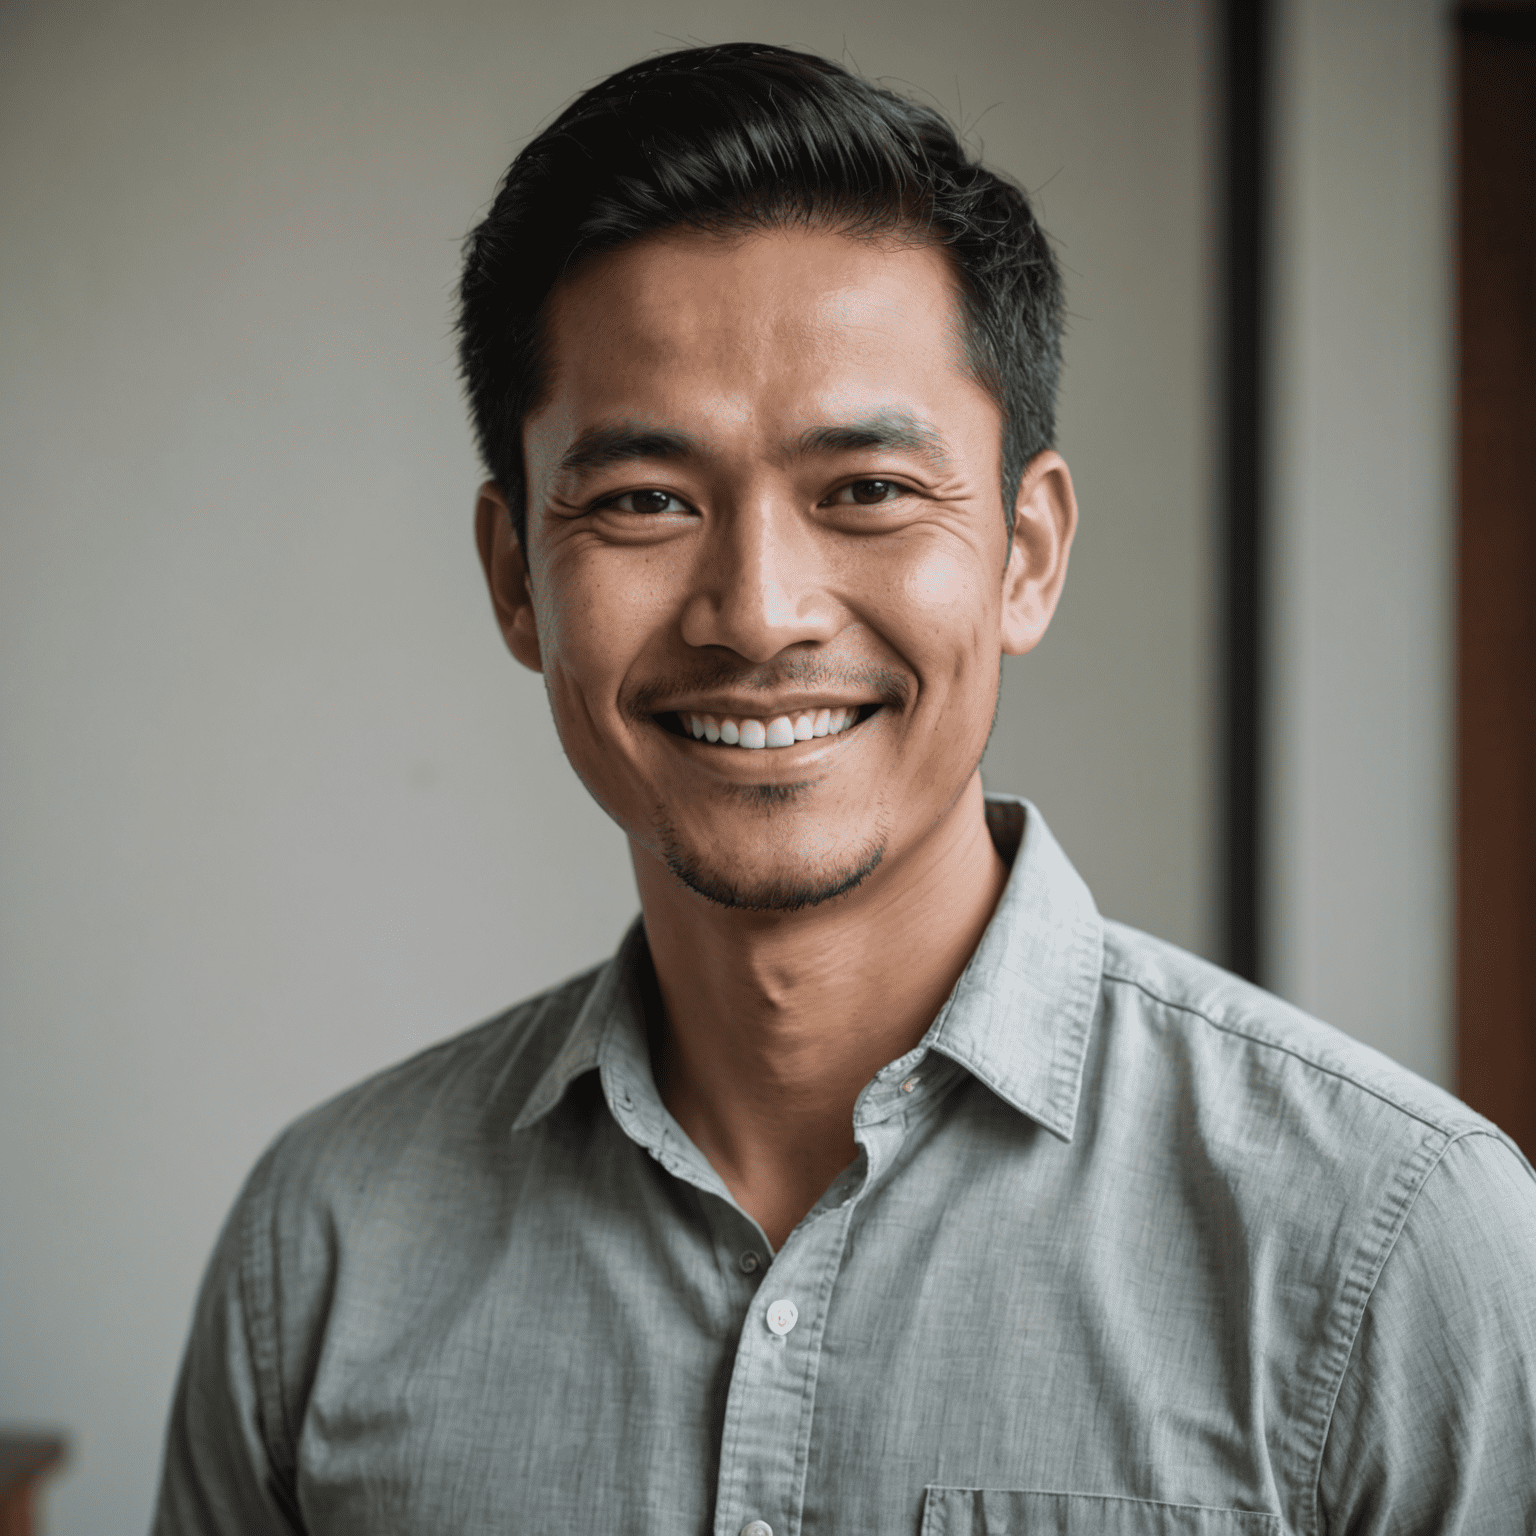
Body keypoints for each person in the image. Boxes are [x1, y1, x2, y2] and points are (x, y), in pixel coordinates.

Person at [153, 42, 1536, 1536]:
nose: (758, 611)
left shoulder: (1395, 1245)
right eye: (643, 501)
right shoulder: (323, 1250)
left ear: (1026, 552)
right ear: (513, 578)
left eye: (866, 491)